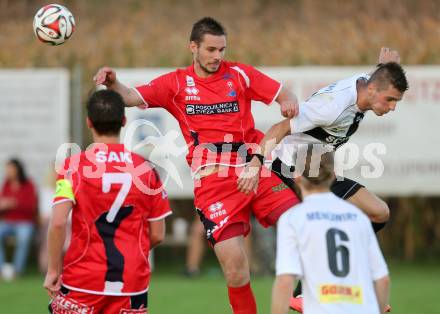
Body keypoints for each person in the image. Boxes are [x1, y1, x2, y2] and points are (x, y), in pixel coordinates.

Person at [94, 17, 301, 314]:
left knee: (303, 222)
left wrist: (288, 102)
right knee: (235, 268)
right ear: (193, 47)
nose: (218, 56)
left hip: (254, 167)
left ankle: (307, 294)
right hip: (214, 182)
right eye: (211, 49)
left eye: (222, 49)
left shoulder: (239, 73)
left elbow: (284, 93)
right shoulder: (175, 83)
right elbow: (130, 96)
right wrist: (113, 83)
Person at [43, 90, 172, 313]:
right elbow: (158, 234)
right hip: (131, 283)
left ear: (89, 122)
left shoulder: (72, 167)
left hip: (82, 279)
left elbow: (57, 222)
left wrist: (53, 270)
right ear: (123, 121)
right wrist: (131, 246)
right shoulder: (145, 169)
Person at [271, 144, 390, 314]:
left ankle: (302, 295)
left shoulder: (293, 219)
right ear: (334, 175)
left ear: (296, 177)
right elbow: (382, 280)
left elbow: (284, 282)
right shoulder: (359, 218)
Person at [0, 158, 38, 280]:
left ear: (17, 170)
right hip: (8, 221)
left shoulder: (28, 184)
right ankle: (2, 270)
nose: (8, 171)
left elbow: (31, 206)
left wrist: (14, 203)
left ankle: (17, 271)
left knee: (23, 238)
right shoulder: (6, 184)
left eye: (10, 168)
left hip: (25, 222)